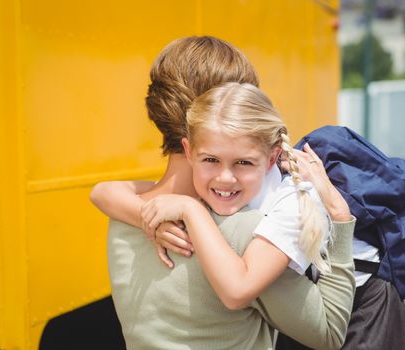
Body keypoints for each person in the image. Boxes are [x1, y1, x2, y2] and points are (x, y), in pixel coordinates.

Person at [93, 36, 356, 349]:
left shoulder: (125, 215)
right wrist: (340, 223)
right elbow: (328, 334)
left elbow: (104, 192)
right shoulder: (248, 234)